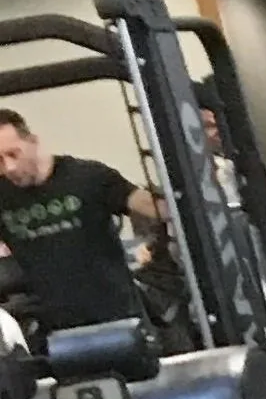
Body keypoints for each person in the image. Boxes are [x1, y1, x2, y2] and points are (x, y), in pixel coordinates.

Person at [0, 110, 163, 334]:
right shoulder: (2, 194)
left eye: (13, 154)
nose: (9, 167)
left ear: (33, 142)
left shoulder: (88, 177)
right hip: (58, 329)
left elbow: (156, 208)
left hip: (119, 318)